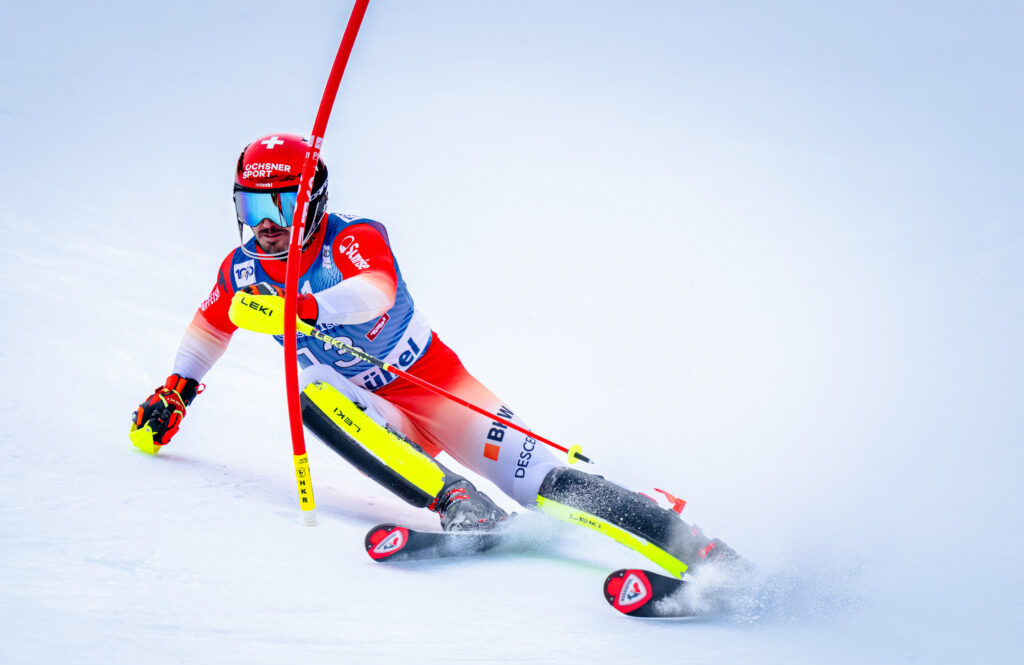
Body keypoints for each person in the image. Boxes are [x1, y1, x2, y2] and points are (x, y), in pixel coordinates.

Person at [131, 132, 741, 577]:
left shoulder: (353, 236)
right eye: (251, 209)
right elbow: (208, 329)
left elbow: (374, 294)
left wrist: (302, 309)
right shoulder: (242, 270)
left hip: (438, 387)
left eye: (280, 207)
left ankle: (697, 549)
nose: (265, 226)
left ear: (312, 198)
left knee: (547, 484)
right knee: (311, 394)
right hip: (368, 412)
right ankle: (456, 501)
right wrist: (176, 392)